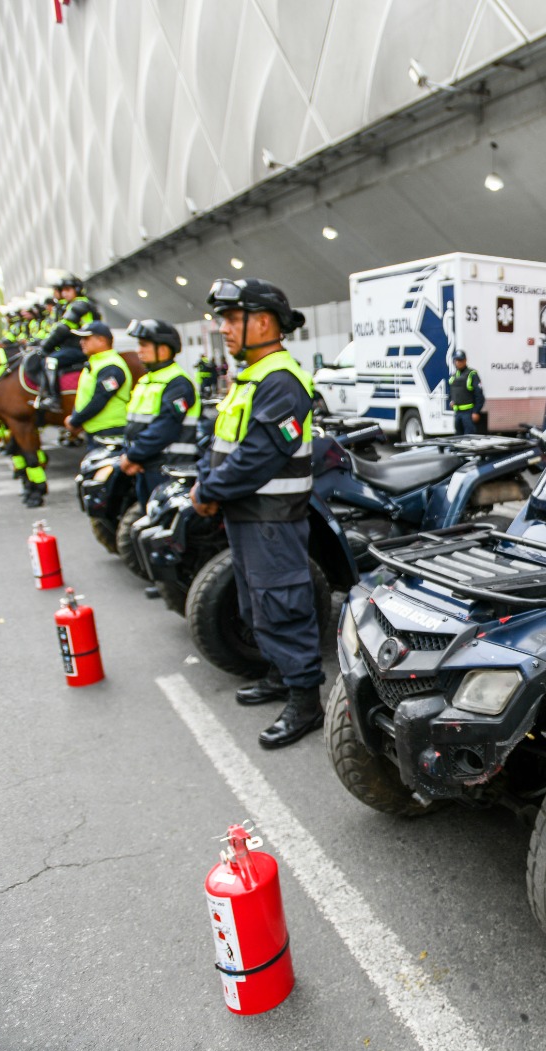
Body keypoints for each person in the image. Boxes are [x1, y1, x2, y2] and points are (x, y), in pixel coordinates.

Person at [191, 278, 325, 749]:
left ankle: (306, 700)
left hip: (272, 517)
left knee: (283, 604)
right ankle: (279, 674)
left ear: (263, 322)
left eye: (231, 318)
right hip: (248, 515)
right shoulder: (250, 377)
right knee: (256, 603)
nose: (223, 328)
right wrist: (206, 483)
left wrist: (209, 489)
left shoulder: (280, 380)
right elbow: (223, 443)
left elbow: (258, 456)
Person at [118, 318, 199, 506]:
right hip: (145, 465)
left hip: (166, 468)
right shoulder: (147, 380)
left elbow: (164, 429)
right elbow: (134, 426)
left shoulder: (177, 384)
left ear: (163, 349)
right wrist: (131, 455)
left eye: (144, 345)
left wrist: (132, 456)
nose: (139, 350)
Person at [36, 274, 101, 412]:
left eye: (68, 289)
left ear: (77, 289)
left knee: (51, 360)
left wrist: (44, 347)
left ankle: (54, 399)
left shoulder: (80, 304)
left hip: (82, 347)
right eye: (62, 290)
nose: (64, 293)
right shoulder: (69, 305)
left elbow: (63, 328)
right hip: (74, 346)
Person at [64, 322, 133, 450]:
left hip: (110, 431)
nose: (81, 342)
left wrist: (75, 421)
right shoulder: (97, 362)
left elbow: (99, 399)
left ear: (101, 340)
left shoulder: (111, 366)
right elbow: (84, 397)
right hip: (98, 430)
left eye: (86, 338)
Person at [448, 350, 483, 434]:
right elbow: (452, 393)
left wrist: (476, 412)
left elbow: (479, 395)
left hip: (468, 413)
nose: (458, 363)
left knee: (469, 439)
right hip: (457, 413)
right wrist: (452, 401)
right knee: (458, 439)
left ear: (465, 360)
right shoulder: (453, 376)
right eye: (456, 360)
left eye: (460, 360)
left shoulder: (472, 374)